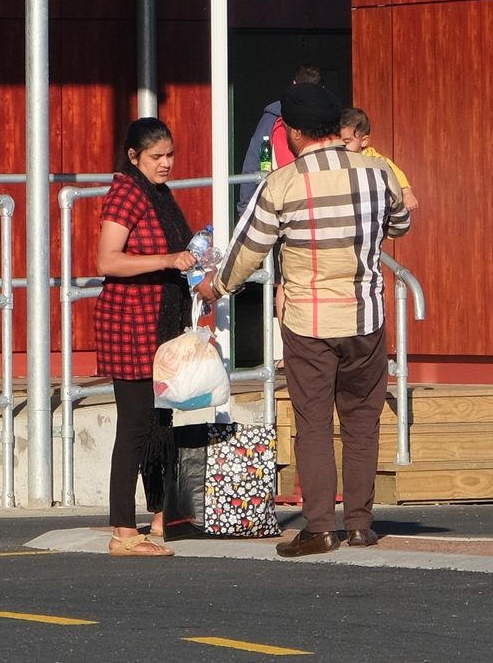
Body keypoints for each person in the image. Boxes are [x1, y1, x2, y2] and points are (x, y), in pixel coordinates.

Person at [196, 82, 409, 557]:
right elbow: (400, 224)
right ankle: (359, 524)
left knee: (313, 423)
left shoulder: (284, 183)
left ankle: (319, 527)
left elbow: (249, 249)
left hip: (309, 319)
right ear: (337, 125)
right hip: (366, 316)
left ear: (292, 133)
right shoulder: (378, 173)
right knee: (362, 421)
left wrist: (216, 286)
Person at [94, 117, 199, 557]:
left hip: (162, 322)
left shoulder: (160, 195)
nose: (167, 163)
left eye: (171, 155)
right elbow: (108, 261)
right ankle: (122, 530)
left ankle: (160, 513)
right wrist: (167, 259)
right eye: (157, 156)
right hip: (131, 325)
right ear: (134, 157)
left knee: (162, 423)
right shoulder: (125, 193)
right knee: (135, 425)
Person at [237, 63, 321, 208]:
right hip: (315, 201)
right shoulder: (328, 120)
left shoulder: (272, 118)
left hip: (282, 201)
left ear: (294, 84)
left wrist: (245, 207)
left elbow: (252, 162)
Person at [338, 106, 420, 211]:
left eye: (346, 142)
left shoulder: (374, 159)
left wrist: (407, 193)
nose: (342, 146)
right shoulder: (339, 156)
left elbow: (396, 172)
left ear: (364, 141)